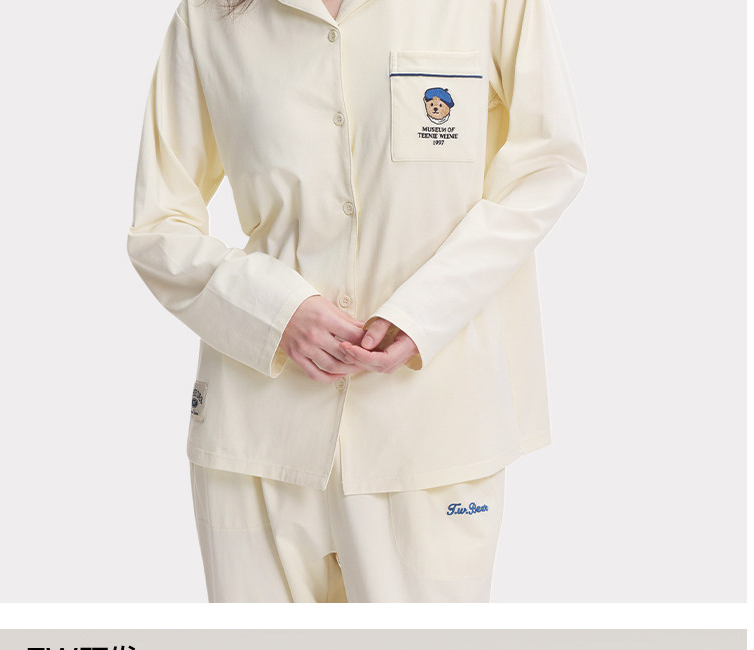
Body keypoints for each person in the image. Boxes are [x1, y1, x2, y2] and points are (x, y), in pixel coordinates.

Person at [127, 0, 587, 602]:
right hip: (256, 436)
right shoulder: (209, 16)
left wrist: (424, 311)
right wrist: (273, 311)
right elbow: (159, 225)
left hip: (432, 428)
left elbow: (548, 164)